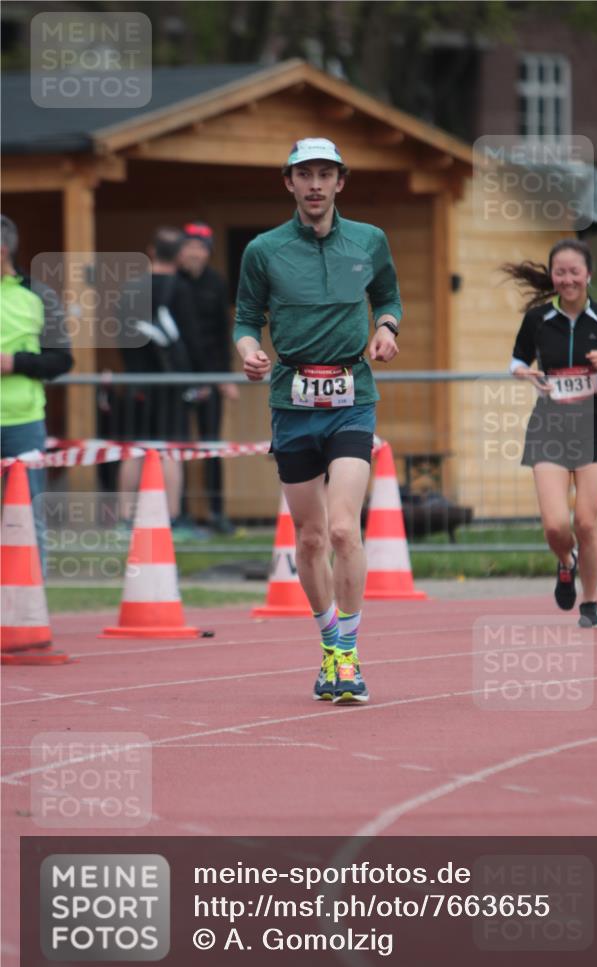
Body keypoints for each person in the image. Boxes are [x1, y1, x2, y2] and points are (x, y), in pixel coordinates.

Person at [234, 137, 402, 703]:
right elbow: (246, 318)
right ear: (288, 182)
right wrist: (247, 351)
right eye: (303, 174)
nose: (314, 184)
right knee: (308, 539)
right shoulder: (264, 250)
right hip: (292, 401)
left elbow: (389, 297)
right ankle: (329, 641)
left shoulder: (369, 240)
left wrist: (386, 328)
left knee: (340, 528)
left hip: (353, 396)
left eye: (324, 174)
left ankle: (349, 657)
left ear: (339, 181)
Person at [504, 238, 597, 628]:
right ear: (552, 276)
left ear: (588, 275)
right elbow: (516, 360)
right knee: (554, 525)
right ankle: (567, 561)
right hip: (549, 424)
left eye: (574, 271)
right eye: (559, 272)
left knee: (585, 522)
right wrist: (523, 372)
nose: (567, 279)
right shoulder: (538, 319)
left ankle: (591, 602)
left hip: (594, 426)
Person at [117, 226, 205, 529]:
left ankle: (126, 518)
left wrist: (132, 368)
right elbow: (193, 339)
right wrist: (199, 380)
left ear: (151, 250)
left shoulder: (130, 289)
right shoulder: (182, 289)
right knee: (172, 449)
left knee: (134, 448)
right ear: (180, 255)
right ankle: (172, 519)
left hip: (136, 381)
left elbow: (121, 336)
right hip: (172, 384)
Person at [0, 214, 73, 569]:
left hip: (23, 422)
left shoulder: (37, 294)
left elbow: (62, 358)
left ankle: (31, 607)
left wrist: (15, 363)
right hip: (23, 423)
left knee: (28, 517)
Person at [178, 222, 239, 535]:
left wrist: (226, 377)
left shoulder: (216, 283)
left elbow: (222, 332)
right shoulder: (172, 283)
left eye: (201, 247)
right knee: (177, 446)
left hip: (212, 376)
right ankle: (182, 513)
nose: (195, 252)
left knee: (212, 444)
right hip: (176, 379)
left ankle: (217, 512)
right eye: (190, 246)